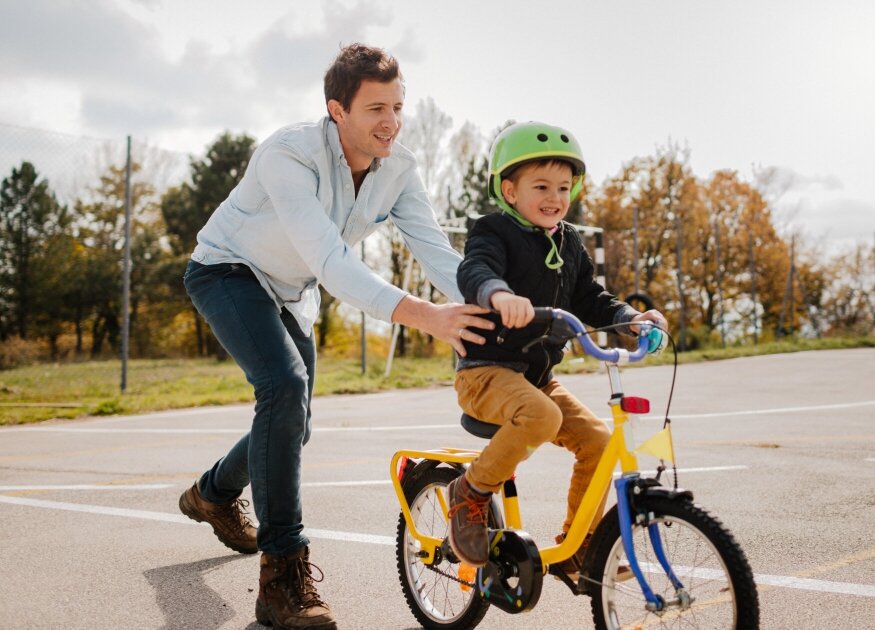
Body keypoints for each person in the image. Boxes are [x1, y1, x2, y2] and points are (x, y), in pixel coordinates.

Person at [178, 44, 492, 630]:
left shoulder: (398, 168)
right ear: (336, 111)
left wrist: (490, 298)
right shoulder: (288, 154)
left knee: (294, 422)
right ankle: (282, 577)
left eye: (398, 106)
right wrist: (427, 316)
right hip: (227, 271)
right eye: (376, 107)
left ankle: (212, 494)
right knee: (284, 386)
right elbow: (328, 258)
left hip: (292, 291)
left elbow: (436, 251)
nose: (391, 121)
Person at [446, 122, 667, 576]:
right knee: (543, 417)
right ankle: (469, 492)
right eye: (541, 186)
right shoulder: (492, 230)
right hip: (485, 373)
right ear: (509, 191)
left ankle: (579, 546)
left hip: (537, 379)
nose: (555, 196)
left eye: (564, 187)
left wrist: (629, 318)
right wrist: (497, 294)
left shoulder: (569, 243)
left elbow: (590, 297)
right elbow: (476, 269)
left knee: (601, 442)